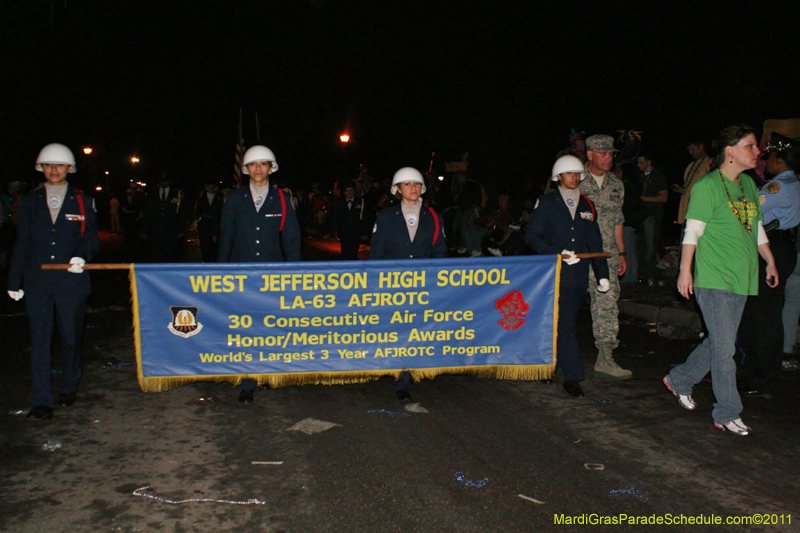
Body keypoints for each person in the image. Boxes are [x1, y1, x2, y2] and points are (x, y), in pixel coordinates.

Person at [665, 125, 778, 437]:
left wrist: (769, 260)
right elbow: (692, 231)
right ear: (730, 151)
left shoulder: (748, 184)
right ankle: (728, 411)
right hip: (715, 277)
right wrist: (685, 271)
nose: (757, 152)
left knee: (719, 340)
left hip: (742, 277)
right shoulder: (708, 186)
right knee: (725, 349)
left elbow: (755, 227)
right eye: (750, 146)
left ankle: (680, 379)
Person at [7, 143, 99, 420]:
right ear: (41, 168)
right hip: (38, 281)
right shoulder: (31, 200)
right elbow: (22, 242)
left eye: (59, 165)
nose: (54, 169)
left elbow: (91, 237)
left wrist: (81, 256)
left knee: (70, 337)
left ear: (70, 168)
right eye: (48, 165)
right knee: (40, 340)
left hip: (71, 281)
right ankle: (41, 400)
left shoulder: (82, 200)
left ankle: (68, 386)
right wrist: (14, 280)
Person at [218, 145, 301, 403]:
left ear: (270, 168)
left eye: (263, 164)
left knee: (269, 327)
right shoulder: (234, 199)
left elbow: (291, 239)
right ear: (245, 169)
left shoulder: (283, 199)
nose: (258, 168)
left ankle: (267, 373)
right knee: (245, 329)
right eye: (253, 164)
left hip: (272, 273)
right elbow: (226, 237)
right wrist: (220, 271)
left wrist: (295, 272)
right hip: (241, 272)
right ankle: (247, 381)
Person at [525, 155, 611, 397]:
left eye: (577, 173)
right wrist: (558, 253)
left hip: (577, 276)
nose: (574, 177)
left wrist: (602, 274)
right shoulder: (546, 203)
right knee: (561, 325)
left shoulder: (587, 204)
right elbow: (532, 237)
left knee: (563, 323)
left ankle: (550, 366)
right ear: (558, 176)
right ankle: (571, 376)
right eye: (569, 173)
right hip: (551, 274)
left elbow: (595, 241)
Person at [370, 167, 447, 399]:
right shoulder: (385, 217)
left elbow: (440, 252)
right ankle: (394, 368)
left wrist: (439, 283)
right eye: (407, 184)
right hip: (393, 284)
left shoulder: (433, 217)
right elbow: (376, 254)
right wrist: (373, 283)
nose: (413, 188)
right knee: (397, 330)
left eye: (416, 184)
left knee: (414, 331)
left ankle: (404, 379)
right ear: (398, 189)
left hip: (423, 285)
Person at [738, 132, 800, 398]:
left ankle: (759, 375)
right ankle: (763, 372)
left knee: (761, 315)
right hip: (782, 247)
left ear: (780, 160)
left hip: (771, 249)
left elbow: (748, 213)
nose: (767, 162)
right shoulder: (793, 183)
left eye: (771, 156)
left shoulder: (778, 187)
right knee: (768, 312)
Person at [578, 134, 632, 378]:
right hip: (578, 254)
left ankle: (605, 356)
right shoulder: (574, 179)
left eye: (611, 153)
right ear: (590, 154)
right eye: (603, 153)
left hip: (606, 253)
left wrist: (621, 253)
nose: (608, 157)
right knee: (567, 302)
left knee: (607, 303)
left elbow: (618, 220)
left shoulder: (616, 184)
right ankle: (553, 350)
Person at [635, 152, 669, 284]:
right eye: (638, 162)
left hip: (652, 215)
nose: (639, 165)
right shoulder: (639, 177)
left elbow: (664, 197)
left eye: (641, 162)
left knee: (650, 245)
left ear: (649, 162)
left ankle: (648, 275)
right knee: (640, 245)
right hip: (639, 215)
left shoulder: (658, 176)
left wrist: (645, 198)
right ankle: (640, 273)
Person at [141, 175, 187, 262]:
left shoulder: (177, 194)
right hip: (155, 229)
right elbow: (147, 212)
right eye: (162, 180)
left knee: (170, 255)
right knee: (156, 255)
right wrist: (144, 229)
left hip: (171, 230)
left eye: (166, 180)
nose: (164, 183)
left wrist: (182, 229)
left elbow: (182, 212)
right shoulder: (152, 193)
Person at [673, 139, 713, 227]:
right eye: (689, 150)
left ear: (701, 146)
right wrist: (681, 190)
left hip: (700, 210)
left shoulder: (710, 163)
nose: (690, 152)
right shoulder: (692, 165)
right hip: (688, 209)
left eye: (692, 149)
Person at [332, 181, 366, 260]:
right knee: (345, 252)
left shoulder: (360, 202)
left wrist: (364, 233)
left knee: (354, 252)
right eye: (347, 190)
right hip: (344, 231)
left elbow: (364, 218)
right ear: (344, 192)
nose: (349, 193)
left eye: (351, 190)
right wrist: (332, 234)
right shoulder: (339, 202)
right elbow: (334, 218)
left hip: (356, 232)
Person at [194, 182, 224, 262]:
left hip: (215, 224)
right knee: (204, 244)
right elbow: (197, 210)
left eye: (212, 187)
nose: (211, 189)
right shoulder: (201, 198)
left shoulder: (219, 198)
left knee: (215, 245)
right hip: (204, 224)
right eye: (209, 187)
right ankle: (206, 260)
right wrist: (199, 218)